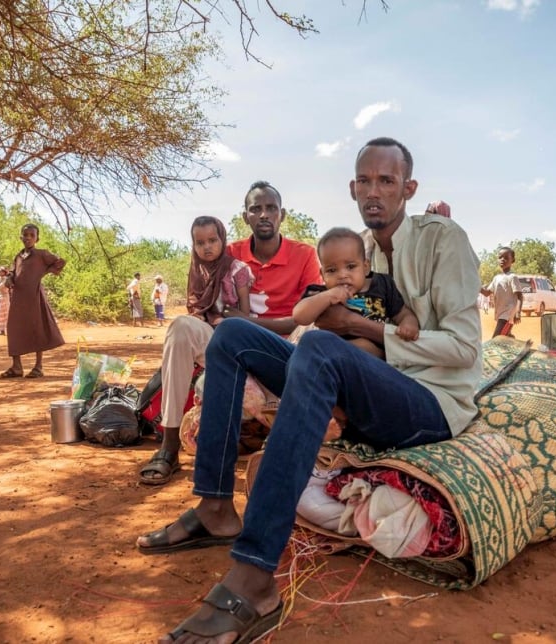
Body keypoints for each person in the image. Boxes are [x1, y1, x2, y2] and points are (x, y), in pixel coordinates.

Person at [139, 137, 482, 643]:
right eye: (364, 181)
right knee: (233, 336)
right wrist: (322, 326)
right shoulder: (354, 252)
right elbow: (313, 318)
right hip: (367, 388)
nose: (374, 192)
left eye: (386, 181)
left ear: (408, 188)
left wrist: (364, 330)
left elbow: (464, 349)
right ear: (351, 188)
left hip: (429, 403)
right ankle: (214, 508)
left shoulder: (442, 239)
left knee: (321, 352)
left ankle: (255, 578)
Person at [136, 183, 322, 485]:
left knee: (314, 333)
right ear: (245, 216)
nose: (264, 215)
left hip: (281, 355)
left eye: (271, 208)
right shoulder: (226, 251)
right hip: (231, 350)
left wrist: (246, 326)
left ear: (282, 215)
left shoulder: (304, 255)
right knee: (181, 328)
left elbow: (303, 319)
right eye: (255, 209)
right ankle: (168, 445)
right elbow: (204, 298)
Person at [293, 226, 419, 360]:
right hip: (330, 353)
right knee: (312, 341)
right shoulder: (322, 293)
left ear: (365, 267)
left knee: (364, 346)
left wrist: (409, 324)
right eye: (331, 270)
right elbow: (299, 316)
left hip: (371, 356)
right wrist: (328, 296)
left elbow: (402, 313)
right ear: (322, 275)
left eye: (351, 267)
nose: (342, 275)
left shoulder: (382, 285)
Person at [0, 223, 66, 379]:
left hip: (34, 296)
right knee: (14, 328)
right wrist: (9, 278)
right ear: (21, 236)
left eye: (31, 235)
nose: (28, 238)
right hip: (18, 298)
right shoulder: (18, 256)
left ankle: (38, 366)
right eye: (25, 235)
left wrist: (45, 272)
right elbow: (13, 272)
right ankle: (16, 367)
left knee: (37, 327)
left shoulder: (41, 254)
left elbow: (60, 262)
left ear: (37, 238)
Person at [480, 246, 523, 338]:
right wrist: (476, 285)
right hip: (501, 314)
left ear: (513, 260)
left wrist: (518, 312)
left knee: (496, 339)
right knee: (504, 338)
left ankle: (510, 340)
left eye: (506, 258)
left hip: (507, 315)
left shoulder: (512, 277)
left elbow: (520, 296)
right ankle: (512, 341)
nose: (502, 260)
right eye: (500, 257)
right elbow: (486, 293)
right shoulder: (496, 278)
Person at [0, 266, 11, 335]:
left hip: (4, 297)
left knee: (5, 314)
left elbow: (1, 287)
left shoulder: (6, 279)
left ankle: (5, 330)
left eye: (1, 271)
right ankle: (1, 330)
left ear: (4, 272)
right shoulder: (0, 278)